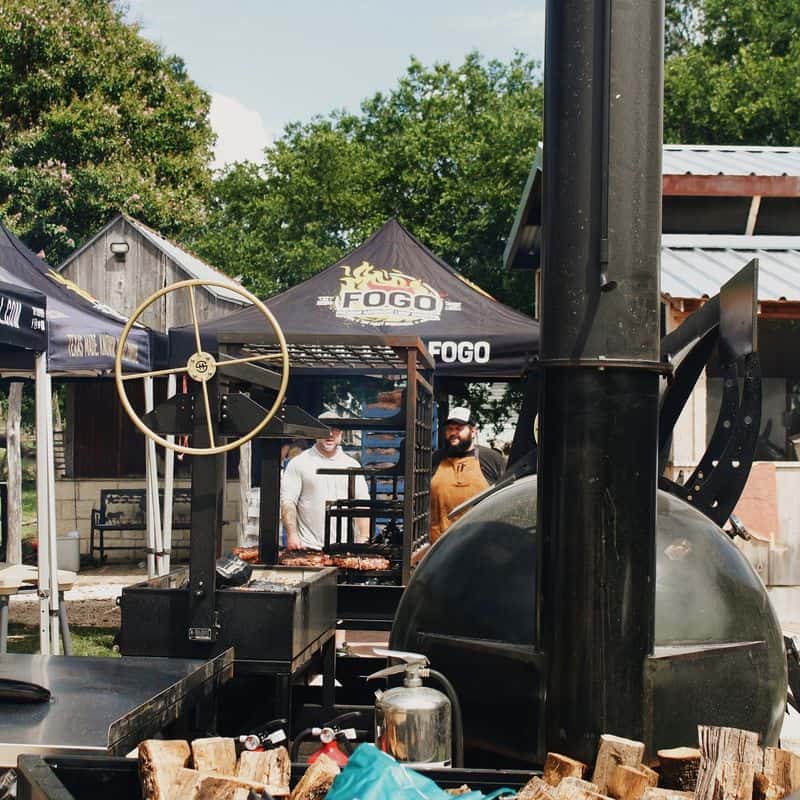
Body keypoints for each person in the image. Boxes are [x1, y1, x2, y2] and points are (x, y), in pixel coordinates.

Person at [280, 413, 370, 550]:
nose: (330, 434)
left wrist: (363, 537)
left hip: (344, 549)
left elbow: (362, 504)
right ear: (315, 432)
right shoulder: (299, 463)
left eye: (335, 429)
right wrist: (292, 534)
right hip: (307, 547)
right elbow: (288, 501)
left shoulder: (352, 465)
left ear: (341, 433)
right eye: (325, 428)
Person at [429, 407, 505, 543]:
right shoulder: (436, 459)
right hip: (440, 545)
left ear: (473, 431)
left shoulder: (491, 459)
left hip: (480, 543)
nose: (453, 433)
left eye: (459, 428)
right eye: (450, 429)